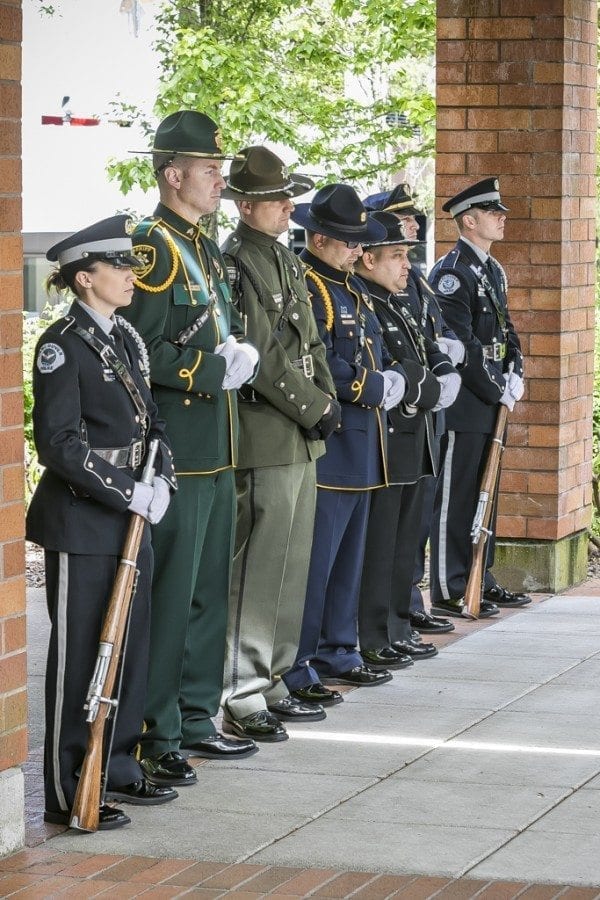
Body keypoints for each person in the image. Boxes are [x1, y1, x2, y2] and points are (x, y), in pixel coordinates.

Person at [26, 214, 179, 830]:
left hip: (129, 516)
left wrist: (161, 477)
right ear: (85, 278)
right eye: (119, 267)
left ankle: (114, 766)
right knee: (82, 657)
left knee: (128, 652)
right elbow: (58, 444)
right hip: (84, 520)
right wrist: (126, 492)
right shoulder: (63, 344)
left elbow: (151, 426)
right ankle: (69, 789)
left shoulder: (126, 340)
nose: (130, 277)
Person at [121, 110, 260, 784]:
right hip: (180, 448)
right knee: (174, 596)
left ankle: (199, 718)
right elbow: (138, 348)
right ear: (174, 174)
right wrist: (210, 370)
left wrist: (233, 358)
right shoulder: (152, 247)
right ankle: (157, 731)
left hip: (219, 444)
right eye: (211, 170)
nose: (219, 181)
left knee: (210, 591)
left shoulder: (203, 247)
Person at [219, 146, 341, 742]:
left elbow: (309, 340)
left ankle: (274, 676)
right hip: (265, 430)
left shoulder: (284, 258)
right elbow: (261, 355)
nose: (289, 207)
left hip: (298, 432)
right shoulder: (240, 260)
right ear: (247, 205)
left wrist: (326, 397)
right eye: (277, 199)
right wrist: (313, 405)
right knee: (260, 566)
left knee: (292, 562)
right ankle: (241, 691)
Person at [282, 184, 410, 695]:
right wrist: (373, 386)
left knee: (347, 561)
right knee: (317, 565)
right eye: (348, 240)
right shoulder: (311, 286)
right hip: (335, 443)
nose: (359, 249)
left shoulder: (348, 286)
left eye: (361, 241)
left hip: (363, 445)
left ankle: (340, 647)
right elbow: (319, 361)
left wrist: (395, 379)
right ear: (318, 238)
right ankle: (301, 661)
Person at [355, 211, 462, 667]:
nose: (406, 265)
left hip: (415, 437)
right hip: (389, 436)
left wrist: (442, 369)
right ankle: (374, 635)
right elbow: (396, 367)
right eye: (396, 255)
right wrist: (431, 385)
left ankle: (398, 624)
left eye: (406, 255)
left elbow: (426, 346)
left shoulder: (399, 298)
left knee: (405, 543)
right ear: (367, 258)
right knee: (381, 545)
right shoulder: (368, 300)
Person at [428, 177, 530, 618]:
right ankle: (452, 585)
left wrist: (516, 372)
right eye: (493, 213)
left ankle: (479, 576)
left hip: (490, 398)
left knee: (485, 495)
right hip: (465, 404)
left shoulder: (491, 269)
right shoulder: (452, 273)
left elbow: (505, 330)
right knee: (458, 496)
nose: (502, 218)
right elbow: (462, 345)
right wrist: (494, 386)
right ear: (468, 220)